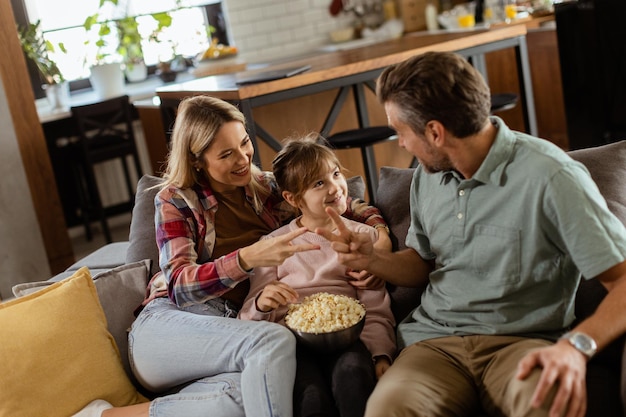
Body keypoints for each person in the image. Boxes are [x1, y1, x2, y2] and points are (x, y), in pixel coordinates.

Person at [318, 51, 626, 417]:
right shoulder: (426, 176)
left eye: (400, 132)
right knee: (386, 410)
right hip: (434, 346)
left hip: (522, 344)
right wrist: (374, 260)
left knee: (550, 407)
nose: (400, 143)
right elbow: (422, 263)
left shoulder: (552, 176)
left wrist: (577, 346)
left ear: (435, 132)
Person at [78, 95, 390, 417]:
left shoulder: (266, 189)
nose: (243, 159)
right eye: (227, 154)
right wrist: (247, 258)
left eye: (244, 143)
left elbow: (343, 204)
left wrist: (380, 241)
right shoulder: (176, 200)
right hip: (169, 324)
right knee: (274, 342)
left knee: (261, 389)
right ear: (197, 160)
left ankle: (105, 416)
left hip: (234, 327)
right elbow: (179, 287)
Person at [238, 136, 396, 417]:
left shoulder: (363, 237)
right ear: (292, 198)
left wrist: (381, 353)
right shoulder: (273, 245)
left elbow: (374, 305)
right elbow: (247, 319)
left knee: (353, 379)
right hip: (293, 344)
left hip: (347, 338)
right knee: (310, 399)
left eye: (335, 174)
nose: (335, 187)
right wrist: (263, 303)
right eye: (318, 183)